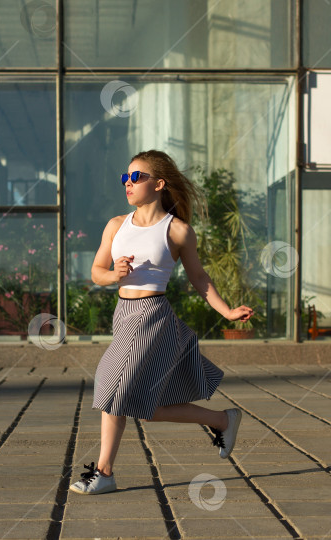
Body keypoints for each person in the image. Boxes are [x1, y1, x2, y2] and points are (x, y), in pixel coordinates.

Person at [69, 150, 254, 495]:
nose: (128, 183)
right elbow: (96, 272)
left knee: (111, 386)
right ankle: (222, 420)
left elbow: (200, 279)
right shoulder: (115, 225)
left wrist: (227, 312)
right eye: (125, 177)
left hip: (153, 317)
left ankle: (105, 472)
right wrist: (114, 275)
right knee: (148, 407)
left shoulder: (178, 231)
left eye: (136, 177)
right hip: (124, 315)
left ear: (159, 184)